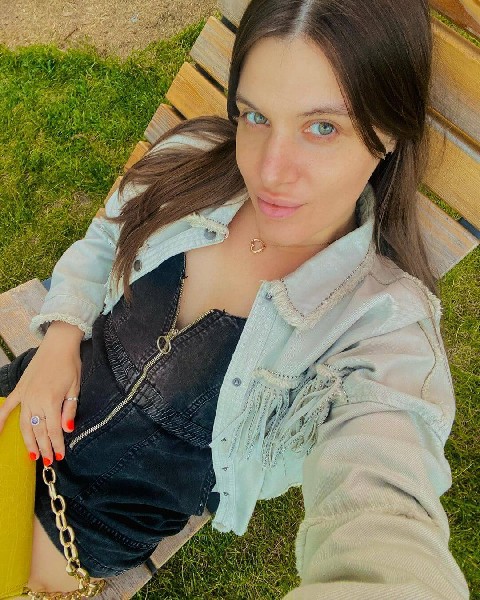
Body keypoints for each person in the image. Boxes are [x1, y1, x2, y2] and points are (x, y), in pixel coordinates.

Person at [0, 0, 471, 597]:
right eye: (255, 116)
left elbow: (384, 499)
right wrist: (61, 340)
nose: (270, 171)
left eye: (322, 127)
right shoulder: (191, 157)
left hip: (88, 527)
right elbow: (104, 239)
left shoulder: (381, 326)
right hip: (30, 396)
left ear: (390, 131)